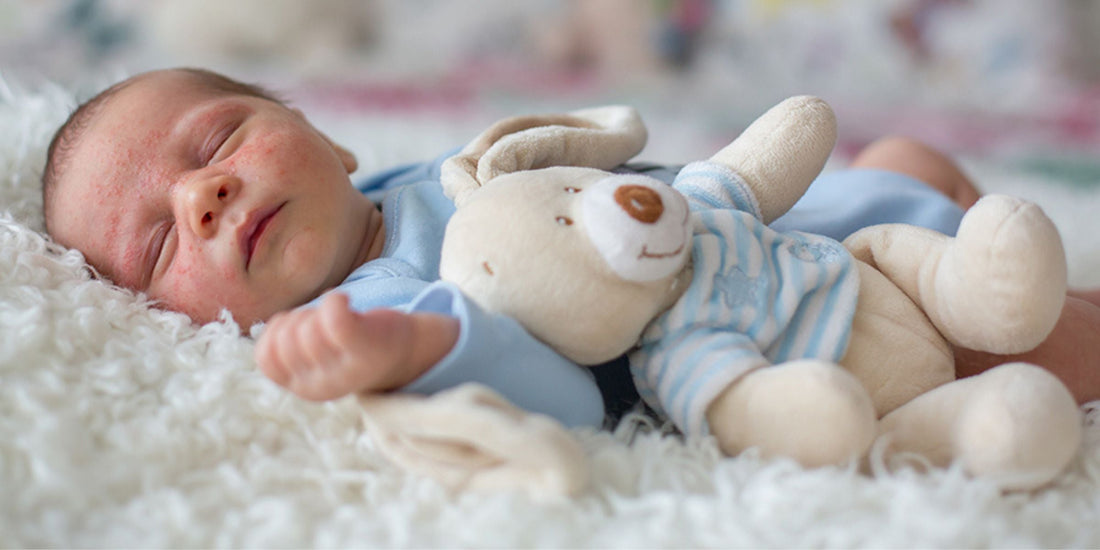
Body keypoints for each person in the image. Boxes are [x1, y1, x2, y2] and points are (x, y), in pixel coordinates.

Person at [40, 68, 1099, 434]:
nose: (206, 190)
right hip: (808, 314)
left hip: (764, 209)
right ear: (155, 319)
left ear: (332, 140)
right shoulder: (397, 300)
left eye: (219, 137)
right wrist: (409, 352)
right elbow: (562, 398)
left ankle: (951, 205)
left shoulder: (423, 178)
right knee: (1051, 347)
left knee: (911, 164)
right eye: (156, 242)